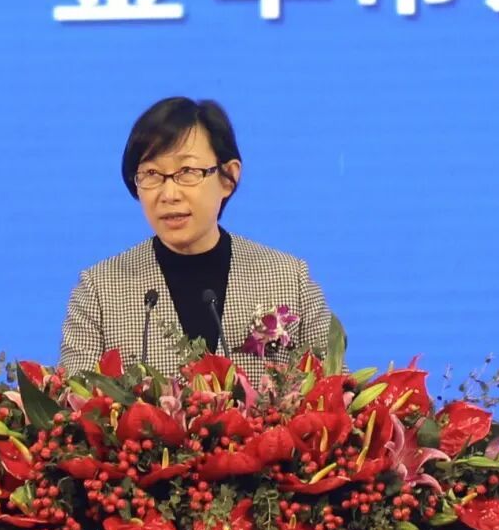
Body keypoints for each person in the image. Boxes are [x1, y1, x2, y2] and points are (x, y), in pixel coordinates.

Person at [57, 97, 336, 385]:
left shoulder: (290, 279)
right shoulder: (99, 291)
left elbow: (336, 393)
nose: (169, 194)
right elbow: (74, 401)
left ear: (228, 178)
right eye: (151, 174)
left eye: (187, 172)